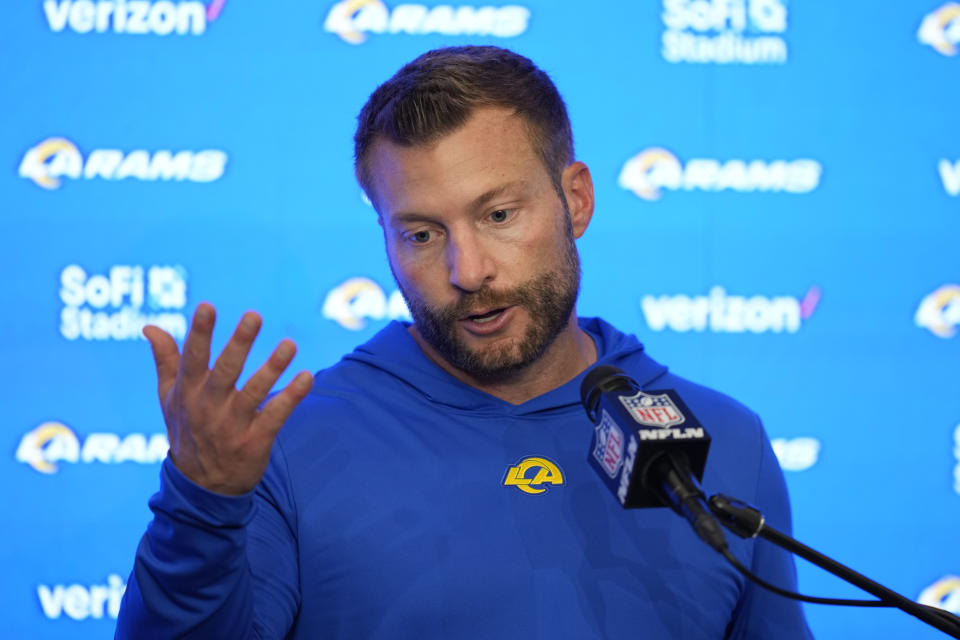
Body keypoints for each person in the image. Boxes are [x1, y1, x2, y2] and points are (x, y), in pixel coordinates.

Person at [116, 46, 812, 639]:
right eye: (421, 234)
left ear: (576, 200)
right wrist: (200, 506)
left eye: (500, 214)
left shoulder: (724, 441)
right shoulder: (291, 444)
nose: (468, 271)